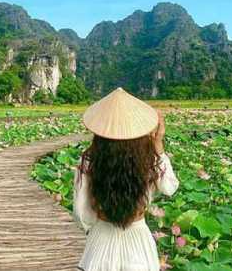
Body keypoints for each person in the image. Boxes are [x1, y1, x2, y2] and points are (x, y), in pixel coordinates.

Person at [73, 87, 179, 271]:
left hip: (102, 238)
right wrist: (158, 144)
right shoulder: (150, 158)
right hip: (139, 238)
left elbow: (82, 215)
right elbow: (169, 187)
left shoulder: (89, 160)